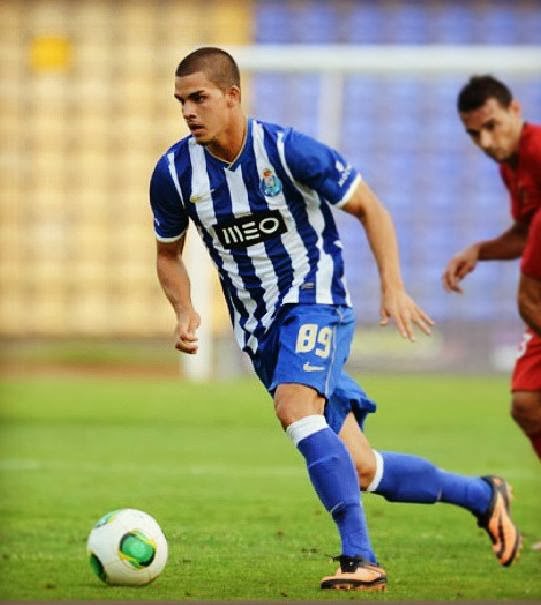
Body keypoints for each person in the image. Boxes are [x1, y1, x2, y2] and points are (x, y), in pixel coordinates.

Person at [150, 49, 521, 592]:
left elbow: (370, 206)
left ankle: (360, 559)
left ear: (232, 96)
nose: (187, 111)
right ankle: (483, 496)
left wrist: (392, 286)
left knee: (295, 408)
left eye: (198, 98)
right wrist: (184, 309)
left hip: (315, 300)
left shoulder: (288, 150)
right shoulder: (174, 172)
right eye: (180, 100)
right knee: (361, 466)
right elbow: (168, 254)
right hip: (259, 331)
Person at [442, 75, 541, 461]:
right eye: (474, 134)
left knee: (529, 302)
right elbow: (527, 231)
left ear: (514, 109)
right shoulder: (511, 165)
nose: (485, 141)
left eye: (491, 126)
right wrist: (479, 251)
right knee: (527, 404)